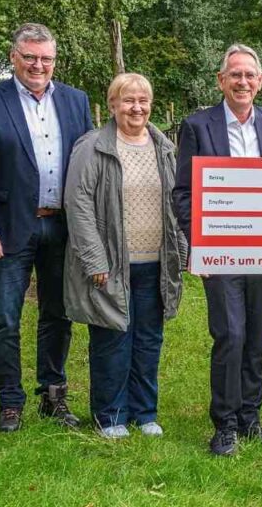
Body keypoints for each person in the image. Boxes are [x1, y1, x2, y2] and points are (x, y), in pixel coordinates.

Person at [0, 23, 93, 432]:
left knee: (59, 314)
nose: (39, 65)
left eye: (46, 58)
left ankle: (53, 395)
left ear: (55, 60)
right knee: (5, 317)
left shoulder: (75, 101)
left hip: (62, 227)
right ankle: (9, 400)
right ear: (14, 57)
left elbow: (88, 165)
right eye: (30, 57)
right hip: (10, 228)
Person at [173, 44, 262, 456]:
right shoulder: (198, 125)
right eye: (234, 75)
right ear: (221, 80)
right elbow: (183, 192)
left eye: (249, 75)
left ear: (260, 82)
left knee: (256, 335)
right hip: (220, 249)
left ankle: (250, 417)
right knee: (231, 334)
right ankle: (223, 424)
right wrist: (197, 244)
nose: (242, 82)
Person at [63, 73, 187, 438]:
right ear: (113, 104)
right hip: (112, 264)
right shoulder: (93, 146)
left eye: (143, 100)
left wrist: (181, 251)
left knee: (149, 340)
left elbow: (174, 203)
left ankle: (144, 413)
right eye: (128, 100)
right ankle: (111, 416)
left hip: (155, 263)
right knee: (112, 340)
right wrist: (95, 259)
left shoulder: (163, 146)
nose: (137, 107)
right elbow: (78, 204)